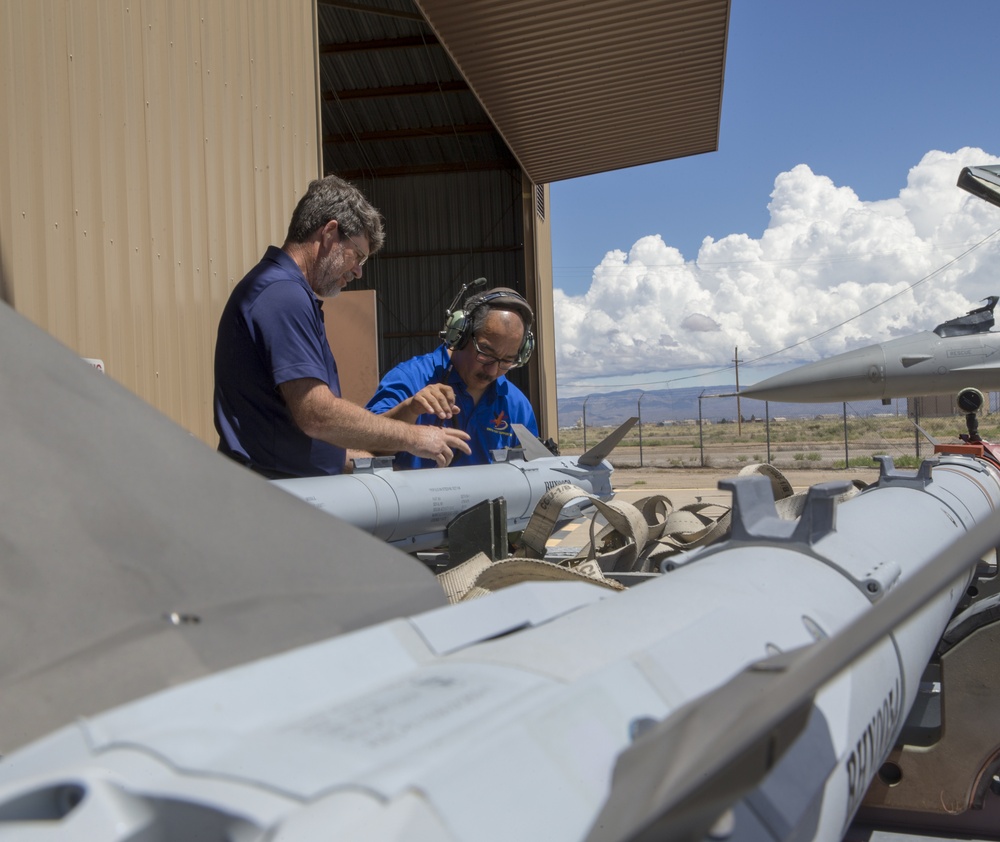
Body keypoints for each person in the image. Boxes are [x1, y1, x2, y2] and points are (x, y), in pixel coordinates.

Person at [213, 175, 471, 478]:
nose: (359, 272)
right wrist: (415, 438)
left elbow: (293, 431)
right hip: (271, 499)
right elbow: (316, 415)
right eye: (358, 256)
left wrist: (357, 459)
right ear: (330, 233)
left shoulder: (284, 291)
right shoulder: (283, 294)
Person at [365, 284, 539, 469]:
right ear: (460, 334)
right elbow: (367, 449)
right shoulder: (410, 379)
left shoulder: (516, 405)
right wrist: (410, 409)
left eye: (506, 361)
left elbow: (533, 472)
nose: (492, 371)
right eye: (485, 353)